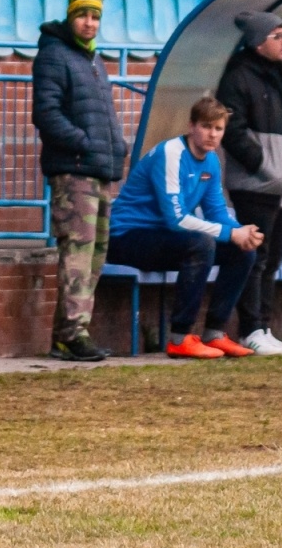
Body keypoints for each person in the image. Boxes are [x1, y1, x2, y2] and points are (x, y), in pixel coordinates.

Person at [107, 96, 263, 359]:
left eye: (218, 128)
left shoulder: (211, 161)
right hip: (127, 237)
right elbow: (176, 219)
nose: (212, 134)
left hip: (165, 238)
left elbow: (216, 212)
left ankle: (214, 333)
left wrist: (241, 233)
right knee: (201, 244)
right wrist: (230, 233)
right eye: (206, 127)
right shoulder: (171, 153)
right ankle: (179, 337)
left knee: (243, 251)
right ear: (191, 126)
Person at [32, 0, 127, 362]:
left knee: (96, 253)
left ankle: (68, 333)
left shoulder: (92, 60)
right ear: (71, 16)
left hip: (99, 169)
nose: (90, 23)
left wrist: (115, 146)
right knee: (78, 251)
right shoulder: (54, 55)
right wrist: (84, 142)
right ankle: (74, 332)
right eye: (84, 15)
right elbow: (46, 113)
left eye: (96, 17)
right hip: (74, 172)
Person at [215, 10, 282, 356]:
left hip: (281, 183)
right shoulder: (238, 77)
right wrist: (262, 164)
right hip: (256, 184)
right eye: (278, 36)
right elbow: (232, 130)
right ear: (258, 43)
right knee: (256, 256)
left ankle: (264, 326)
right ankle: (250, 327)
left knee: (272, 259)